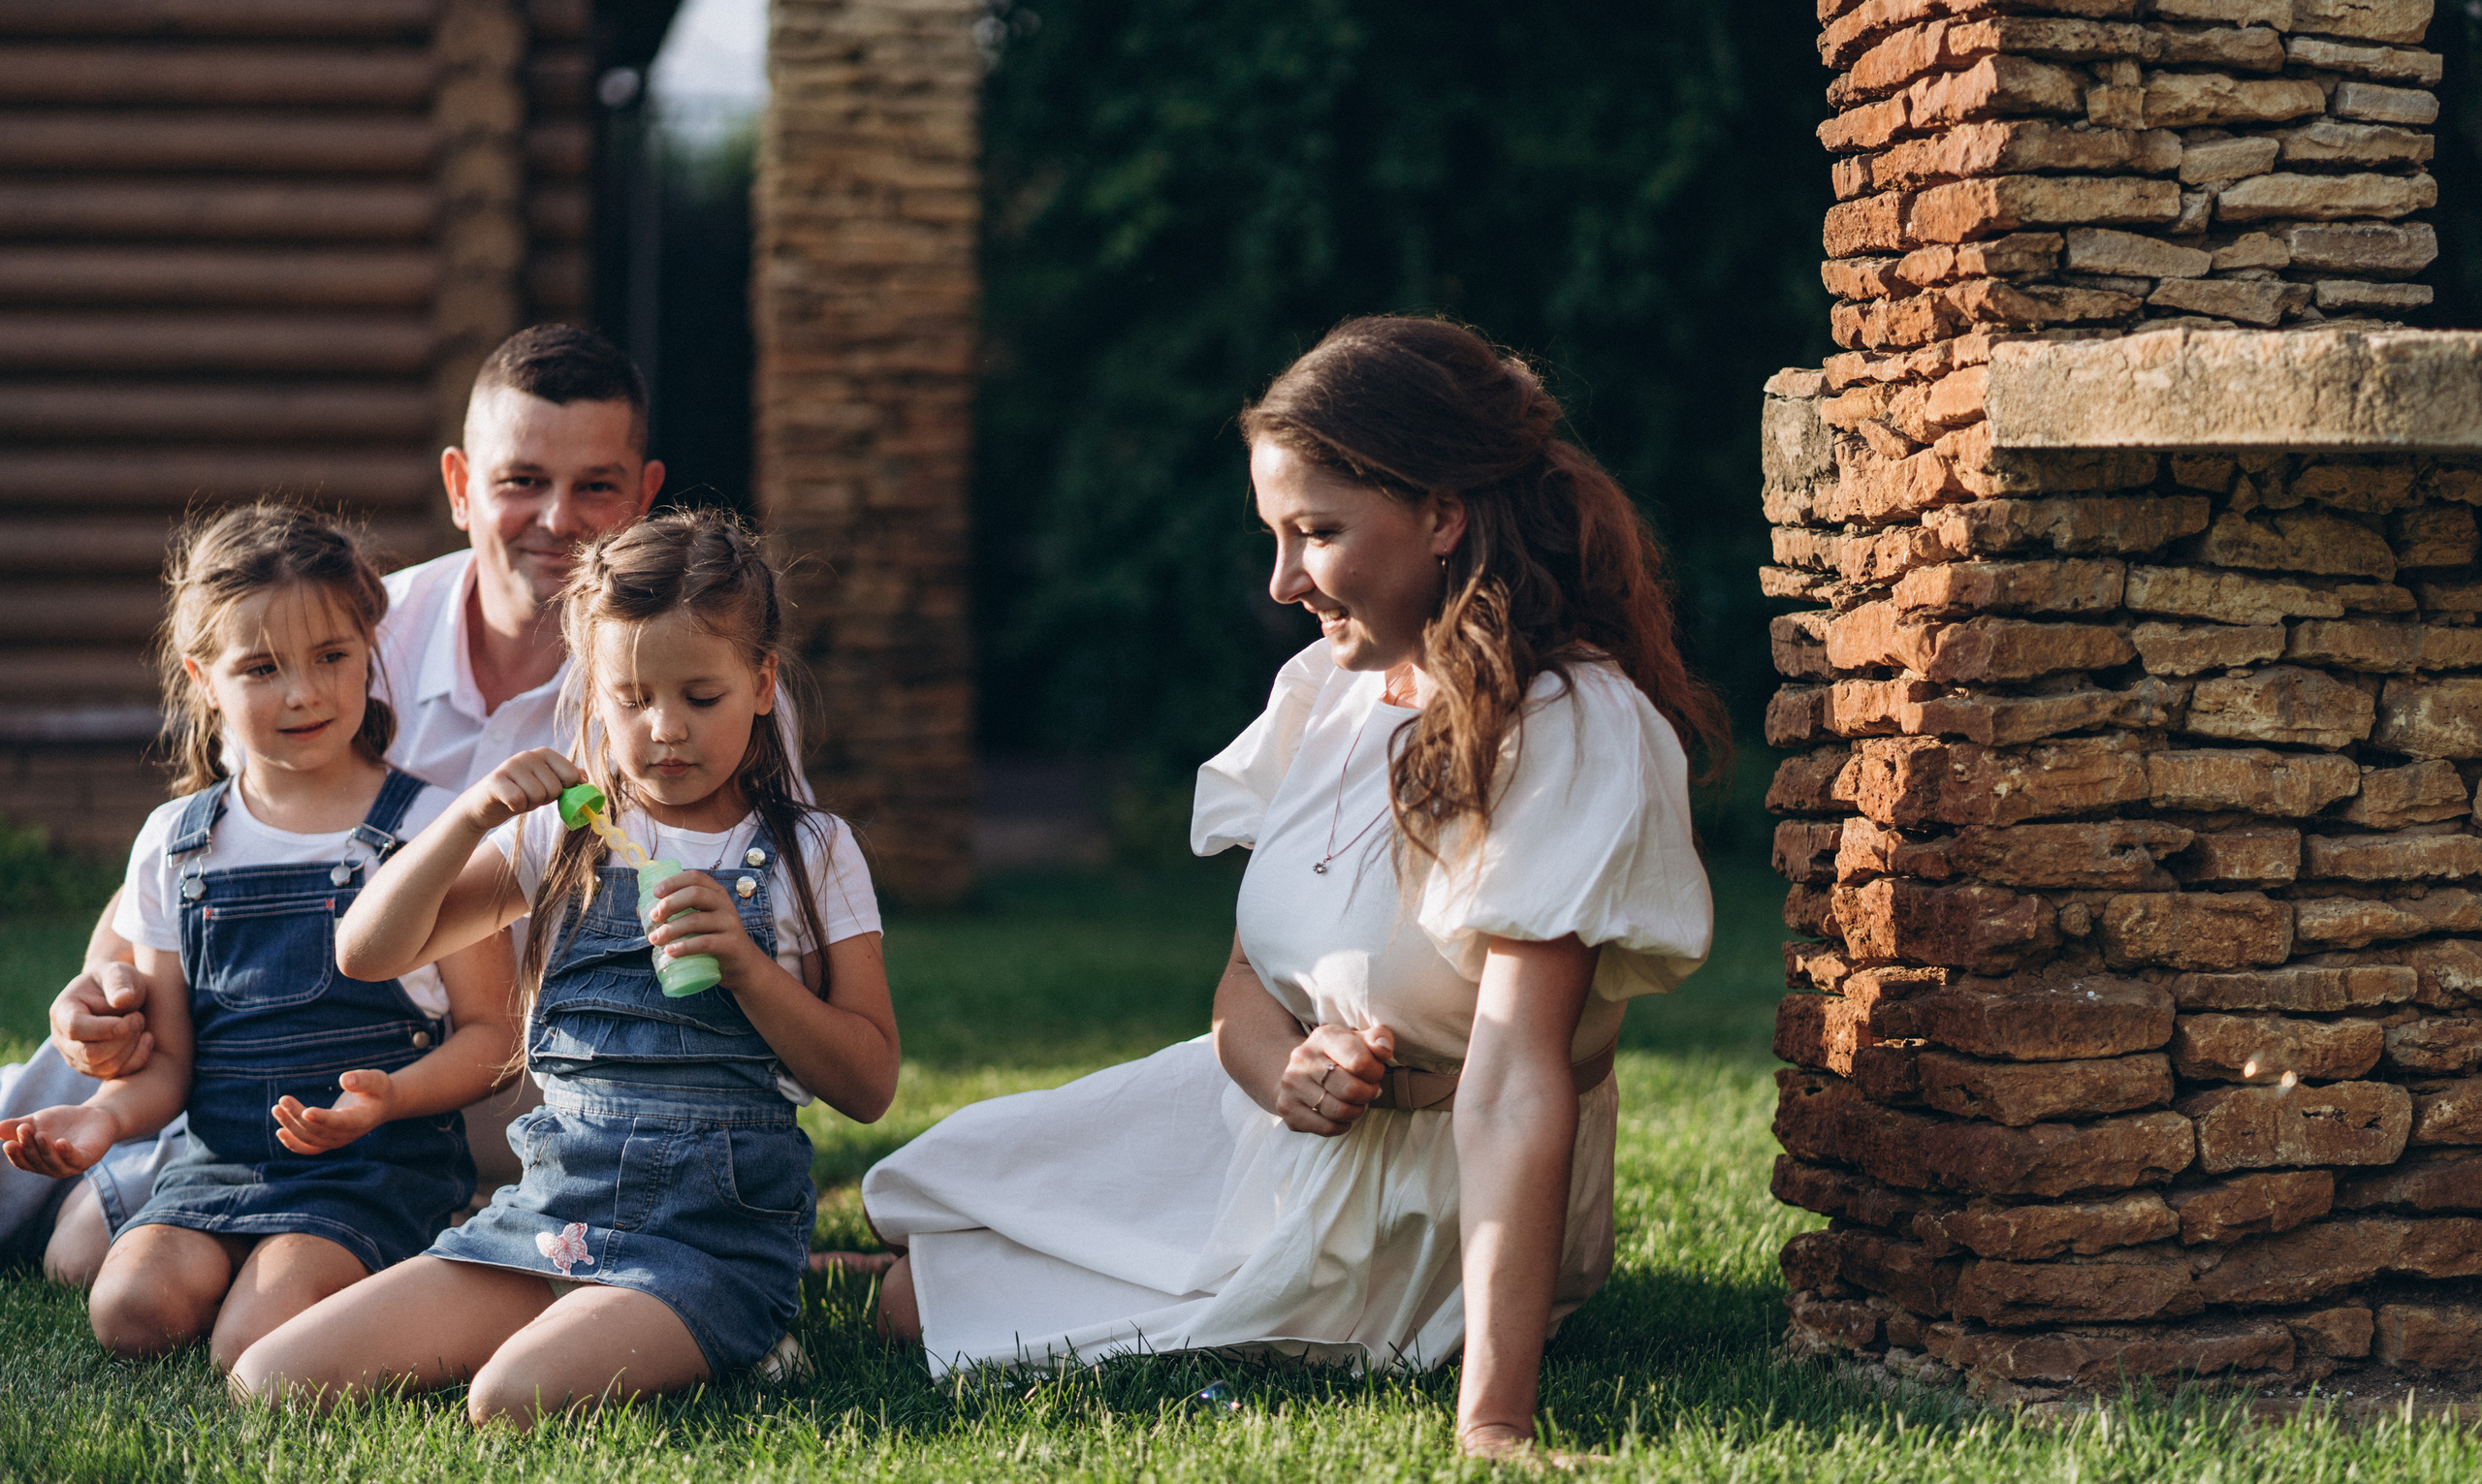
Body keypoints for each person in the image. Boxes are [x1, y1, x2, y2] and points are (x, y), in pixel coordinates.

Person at [859, 317, 1727, 1460]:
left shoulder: (1570, 732)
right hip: (1272, 1126)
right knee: (918, 1249)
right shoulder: (1323, 687)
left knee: (920, 1311)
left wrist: (1494, 1421)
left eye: (1316, 533)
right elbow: (1241, 980)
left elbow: (1516, 1083)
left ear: (1443, 514)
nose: (1281, 582)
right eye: (1275, 535)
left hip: (1416, 1206)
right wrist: (1285, 1074)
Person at [10, 326, 672, 1279]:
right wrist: (100, 986)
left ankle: (232, 1192)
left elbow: (754, 893)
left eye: (595, 487)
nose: (556, 518)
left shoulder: (675, 683)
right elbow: (212, 844)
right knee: (87, 1129)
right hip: (274, 1044)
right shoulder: (345, 625)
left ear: (644, 495)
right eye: (521, 480)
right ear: (460, 486)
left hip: (511, 1061)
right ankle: (141, 1165)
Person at [232, 511, 898, 1428]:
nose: (665, 729)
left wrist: (748, 968)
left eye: (701, 696)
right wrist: (464, 820)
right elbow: (367, 949)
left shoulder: (810, 851)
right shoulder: (563, 834)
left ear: (761, 681)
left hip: (707, 1237)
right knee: (270, 1376)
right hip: (552, 1215)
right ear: (594, 693)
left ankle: (739, 1323)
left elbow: (868, 1083)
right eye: (630, 697)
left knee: (508, 1398)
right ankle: (582, 1315)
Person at [0, 506, 519, 1368]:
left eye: (331, 657)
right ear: (204, 677)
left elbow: (493, 1035)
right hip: (219, 1162)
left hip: (378, 1167)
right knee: (127, 1311)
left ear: (369, 646)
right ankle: (254, 1265)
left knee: (252, 1338)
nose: (303, 692)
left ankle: (372, 1268)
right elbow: (169, 1064)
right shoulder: (177, 840)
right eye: (260, 668)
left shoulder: (430, 829)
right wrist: (99, 1124)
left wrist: (388, 1097)